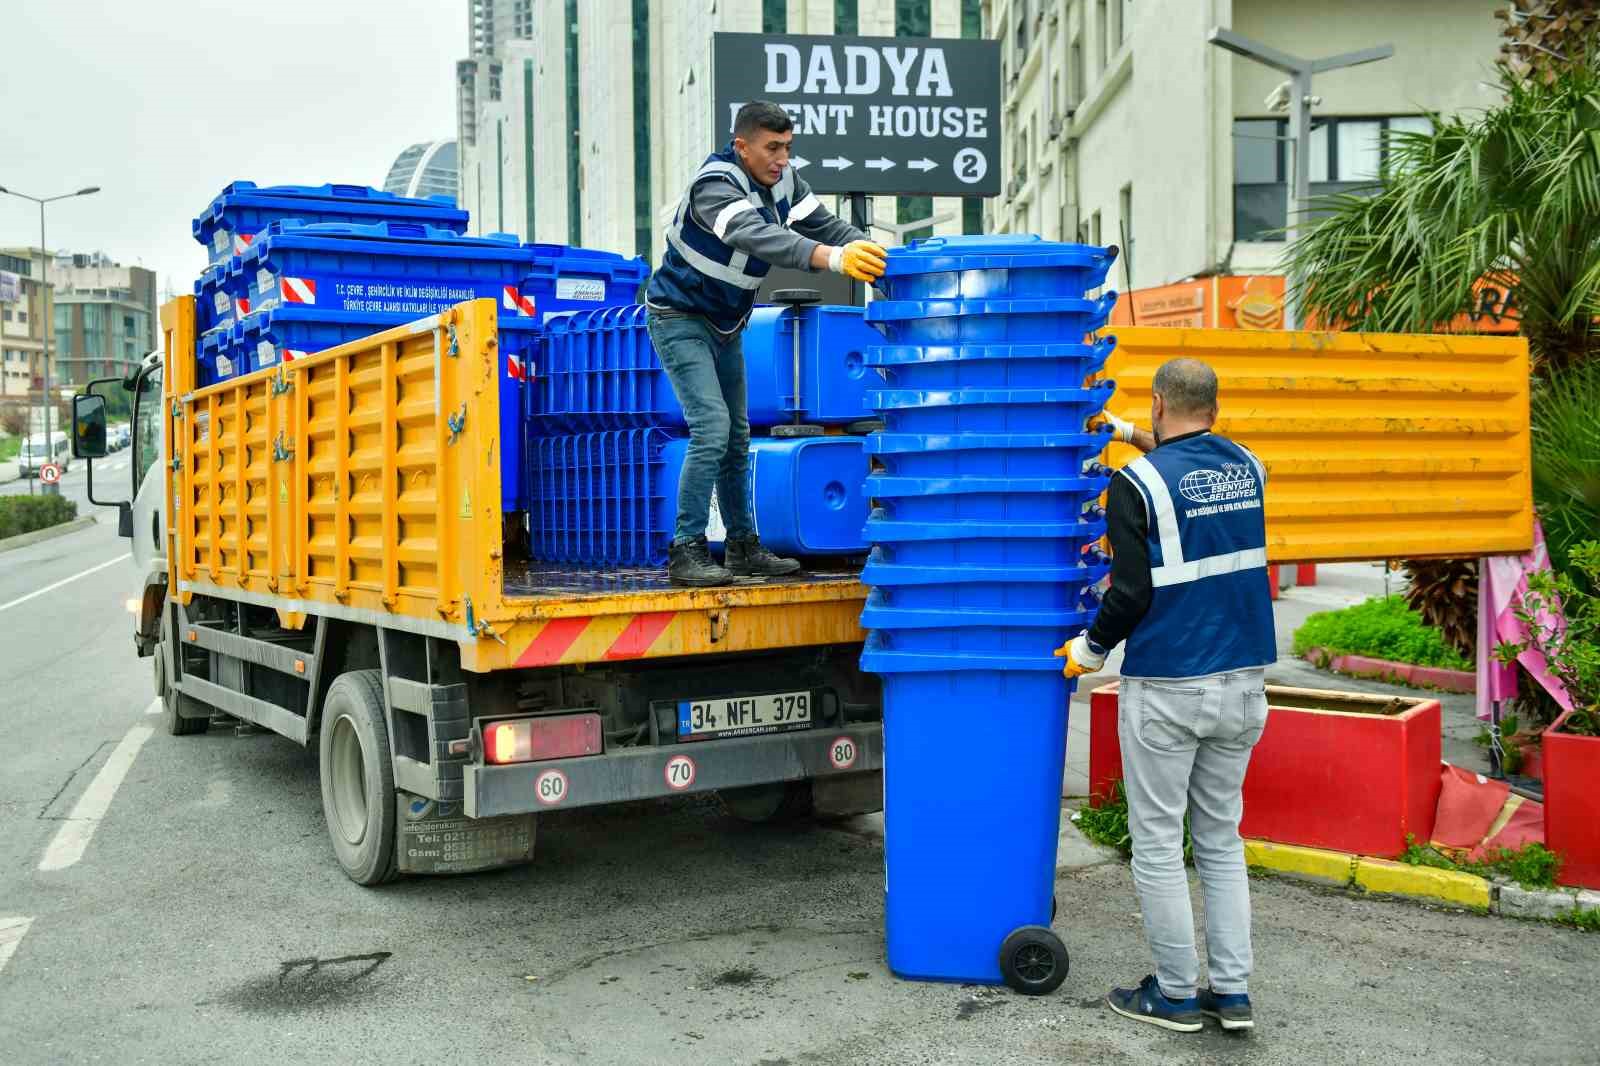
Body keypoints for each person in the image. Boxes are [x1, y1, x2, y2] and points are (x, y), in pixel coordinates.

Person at [1056, 358, 1276, 1034]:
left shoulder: (1134, 485)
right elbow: (1188, 467)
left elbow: (1129, 593)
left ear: (1158, 402)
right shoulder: (1249, 468)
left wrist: (1087, 652)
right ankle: (1231, 993)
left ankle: (1176, 994)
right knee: (1219, 839)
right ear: (1213, 404)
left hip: (1169, 687)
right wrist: (1123, 428)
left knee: (1156, 843)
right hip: (1244, 685)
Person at [645, 101, 887, 587]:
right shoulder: (715, 186)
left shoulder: (785, 182)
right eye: (772, 148)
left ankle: (742, 548)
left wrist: (875, 254)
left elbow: (825, 226)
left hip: (728, 323)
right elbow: (759, 237)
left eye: (788, 148)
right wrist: (833, 259)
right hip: (679, 319)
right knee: (712, 429)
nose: (782, 158)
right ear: (742, 146)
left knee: (736, 435)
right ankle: (686, 550)